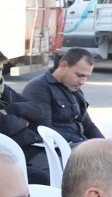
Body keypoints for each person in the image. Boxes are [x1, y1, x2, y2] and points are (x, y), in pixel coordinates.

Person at [18, 48, 103, 181]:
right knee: (105, 169)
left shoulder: (74, 89)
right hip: (48, 151)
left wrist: (103, 144)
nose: (83, 82)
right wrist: (85, 144)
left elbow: (88, 125)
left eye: (86, 76)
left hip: (76, 146)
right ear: (63, 66)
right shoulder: (40, 87)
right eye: (79, 75)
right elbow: (45, 130)